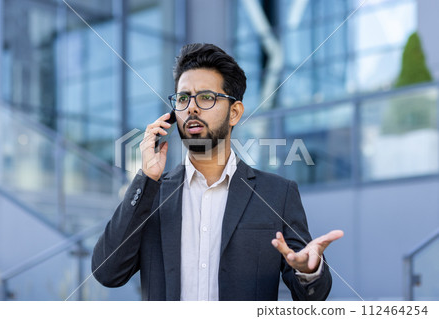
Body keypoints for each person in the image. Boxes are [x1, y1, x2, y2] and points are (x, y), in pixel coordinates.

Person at [92, 43, 343, 301]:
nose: (191, 107)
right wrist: (146, 178)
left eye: (206, 97)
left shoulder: (277, 194)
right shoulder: (151, 194)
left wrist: (308, 270)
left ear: (234, 113)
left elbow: (312, 297)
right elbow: (107, 273)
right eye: (183, 98)